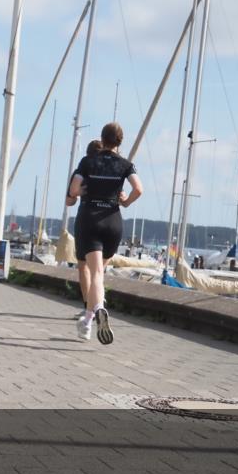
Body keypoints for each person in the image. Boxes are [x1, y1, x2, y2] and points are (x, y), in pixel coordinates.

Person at [67, 123, 143, 345]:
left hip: (90, 219)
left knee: (96, 273)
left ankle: (98, 309)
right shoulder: (125, 165)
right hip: (113, 222)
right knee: (100, 272)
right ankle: (88, 321)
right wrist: (126, 202)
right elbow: (139, 188)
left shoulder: (88, 162)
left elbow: (73, 190)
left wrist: (80, 191)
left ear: (103, 138)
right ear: (120, 142)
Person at [65, 139, 103, 338]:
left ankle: (89, 308)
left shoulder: (82, 168)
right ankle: (96, 308)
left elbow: (69, 200)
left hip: (86, 220)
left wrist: (78, 193)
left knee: (84, 267)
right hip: (109, 222)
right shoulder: (110, 168)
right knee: (99, 270)